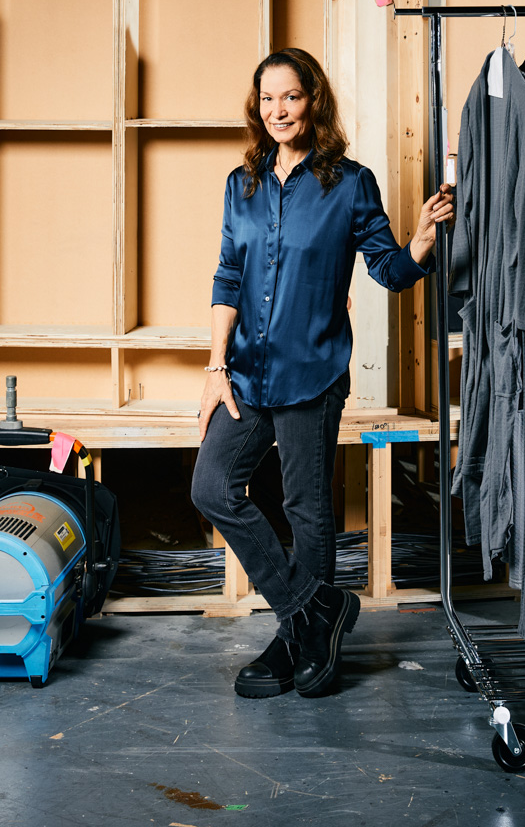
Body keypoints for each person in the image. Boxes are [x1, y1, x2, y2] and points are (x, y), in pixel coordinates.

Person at [191, 48, 454, 699]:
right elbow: (228, 275)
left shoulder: (349, 183)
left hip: (312, 371)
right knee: (213, 485)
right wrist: (215, 365)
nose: (277, 110)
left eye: (291, 97)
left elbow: (389, 272)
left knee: (306, 506)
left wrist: (420, 240)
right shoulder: (241, 184)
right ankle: (313, 612)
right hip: (245, 370)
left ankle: (299, 641)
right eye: (267, 98)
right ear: (256, 106)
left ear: (314, 102)